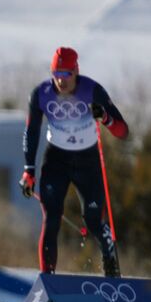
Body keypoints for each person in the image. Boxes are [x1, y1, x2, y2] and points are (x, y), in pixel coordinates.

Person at [20, 46, 128, 277]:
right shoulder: (40, 94)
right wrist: (28, 170)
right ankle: (48, 280)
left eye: (66, 74)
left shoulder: (92, 90)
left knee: (93, 220)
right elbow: (31, 132)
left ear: (76, 71)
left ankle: (111, 268)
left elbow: (123, 131)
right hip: (56, 160)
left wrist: (106, 118)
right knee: (51, 219)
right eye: (56, 75)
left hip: (87, 161)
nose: (61, 81)